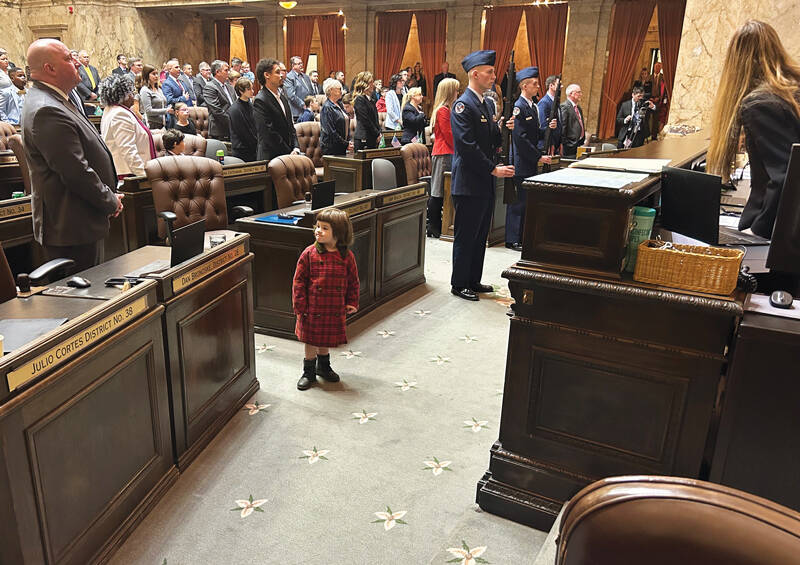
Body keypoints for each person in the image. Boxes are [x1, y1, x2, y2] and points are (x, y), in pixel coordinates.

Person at [21, 38, 123, 271]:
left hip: (80, 221)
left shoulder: (56, 99)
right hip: (71, 228)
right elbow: (75, 171)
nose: (76, 62)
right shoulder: (46, 109)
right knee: (82, 301)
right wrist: (110, 200)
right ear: (50, 68)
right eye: (68, 58)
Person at [707, 20, 800, 242]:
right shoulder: (790, 90)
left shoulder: (761, 102)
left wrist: (757, 231)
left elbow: (786, 177)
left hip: (778, 236)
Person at [449, 49, 514, 301]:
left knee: (479, 235)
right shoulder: (463, 105)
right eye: (490, 72)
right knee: (466, 235)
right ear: (474, 74)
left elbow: (489, 140)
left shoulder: (485, 103)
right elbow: (466, 146)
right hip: (469, 181)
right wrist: (492, 168)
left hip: (483, 182)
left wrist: (502, 128)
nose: (494, 76)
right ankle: (459, 282)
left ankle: (473, 279)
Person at [292, 207, 359, 390]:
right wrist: (300, 305)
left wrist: (352, 301)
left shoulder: (346, 256)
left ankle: (324, 367)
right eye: (318, 226)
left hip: (333, 306)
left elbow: (353, 281)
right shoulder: (309, 254)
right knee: (311, 340)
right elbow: (298, 281)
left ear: (338, 233)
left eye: (324, 228)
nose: (318, 231)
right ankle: (309, 372)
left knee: (325, 339)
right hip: (311, 308)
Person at [506, 67, 550, 251]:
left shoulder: (533, 106)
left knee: (526, 202)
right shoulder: (519, 107)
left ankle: (522, 236)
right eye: (534, 84)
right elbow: (521, 138)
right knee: (518, 202)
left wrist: (548, 128)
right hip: (521, 161)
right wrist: (538, 156)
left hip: (529, 160)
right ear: (524, 86)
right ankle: (512, 238)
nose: (537, 86)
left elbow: (535, 133)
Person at [99, 74, 156, 178]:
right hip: (130, 174)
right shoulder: (119, 114)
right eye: (131, 93)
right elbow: (128, 150)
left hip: (129, 171)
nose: (133, 96)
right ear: (123, 95)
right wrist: (144, 176)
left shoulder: (111, 110)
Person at [428, 77, 459, 238]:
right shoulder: (443, 110)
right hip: (444, 153)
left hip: (446, 152)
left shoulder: (447, 109)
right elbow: (450, 135)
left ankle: (436, 224)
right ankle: (432, 225)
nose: (457, 93)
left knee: (441, 190)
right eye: (456, 90)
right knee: (438, 190)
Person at [253, 57, 301, 161]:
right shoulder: (260, 100)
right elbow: (268, 133)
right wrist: (289, 151)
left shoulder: (282, 97)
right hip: (272, 158)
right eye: (277, 72)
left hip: (289, 155)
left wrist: (296, 148)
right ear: (267, 75)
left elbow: (291, 127)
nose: (282, 76)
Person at [203, 59, 235, 140]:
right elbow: (217, 111)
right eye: (226, 70)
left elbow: (235, 104)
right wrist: (233, 122)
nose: (229, 72)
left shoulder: (229, 87)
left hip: (234, 128)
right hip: (220, 130)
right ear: (218, 72)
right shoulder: (210, 87)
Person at [229, 77, 258, 162]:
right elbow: (243, 133)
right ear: (241, 91)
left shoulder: (251, 104)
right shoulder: (234, 109)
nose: (252, 91)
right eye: (249, 89)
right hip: (242, 151)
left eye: (252, 88)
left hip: (253, 147)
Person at [138, 64, 173, 130]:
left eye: (157, 73)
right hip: (152, 124)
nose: (156, 76)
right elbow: (148, 111)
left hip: (163, 123)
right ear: (147, 75)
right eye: (153, 74)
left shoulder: (159, 89)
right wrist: (166, 110)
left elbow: (163, 104)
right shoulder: (145, 90)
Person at [320, 79, 350, 156]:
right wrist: (345, 144)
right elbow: (330, 131)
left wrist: (346, 142)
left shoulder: (339, 104)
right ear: (331, 90)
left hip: (341, 146)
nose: (341, 91)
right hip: (331, 148)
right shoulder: (327, 107)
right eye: (339, 89)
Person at [352, 71, 381, 151]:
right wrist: (377, 133)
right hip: (363, 137)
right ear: (364, 84)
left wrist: (379, 132)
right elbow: (365, 119)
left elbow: (375, 118)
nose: (373, 85)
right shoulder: (360, 99)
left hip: (372, 137)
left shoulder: (371, 100)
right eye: (371, 82)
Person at [162, 59, 194, 128]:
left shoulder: (181, 81)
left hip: (187, 114)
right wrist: (183, 98)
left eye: (179, 67)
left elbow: (188, 96)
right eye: (176, 67)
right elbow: (169, 100)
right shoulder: (166, 83)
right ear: (170, 69)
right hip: (176, 117)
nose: (179, 69)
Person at [559, 83, 585, 158]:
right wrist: (565, 144)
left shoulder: (578, 108)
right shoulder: (565, 106)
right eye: (578, 92)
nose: (581, 94)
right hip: (569, 146)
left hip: (578, 144)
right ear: (571, 94)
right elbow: (563, 127)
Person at [537, 75, 561, 154]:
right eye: (559, 84)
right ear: (551, 85)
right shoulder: (544, 102)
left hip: (555, 144)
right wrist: (551, 144)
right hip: (547, 145)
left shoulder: (556, 102)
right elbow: (544, 125)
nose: (561, 87)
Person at [284, 55, 313, 122]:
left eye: (301, 63)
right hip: (297, 112)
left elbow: (311, 92)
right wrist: (303, 104)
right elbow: (291, 95)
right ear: (293, 66)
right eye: (299, 64)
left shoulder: (306, 77)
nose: (301, 65)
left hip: (309, 111)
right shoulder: (289, 77)